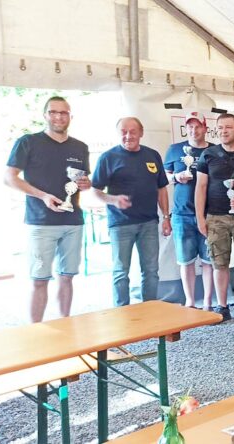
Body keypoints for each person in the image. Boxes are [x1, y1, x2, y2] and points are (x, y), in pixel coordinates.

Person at [4, 96, 91, 322]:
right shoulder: (28, 142)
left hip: (73, 222)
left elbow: (82, 180)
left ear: (70, 116)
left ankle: (65, 324)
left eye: (63, 112)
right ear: (45, 115)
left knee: (67, 277)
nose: (58, 117)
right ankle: (35, 331)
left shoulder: (80, 147)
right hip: (41, 222)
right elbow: (9, 178)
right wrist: (42, 196)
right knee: (39, 280)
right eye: (53, 112)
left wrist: (86, 184)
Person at [91, 117, 171, 307]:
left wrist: (166, 217)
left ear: (141, 133)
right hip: (120, 224)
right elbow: (95, 191)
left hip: (149, 223)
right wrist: (113, 200)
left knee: (151, 271)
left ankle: (150, 309)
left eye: (133, 131)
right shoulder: (108, 157)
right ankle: (122, 312)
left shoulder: (152, 155)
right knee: (120, 272)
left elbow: (161, 188)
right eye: (123, 132)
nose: (128, 136)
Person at [195, 113, 234, 323]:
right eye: (220, 127)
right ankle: (223, 306)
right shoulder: (208, 154)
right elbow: (201, 187)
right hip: (215, 217)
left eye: (228, 127)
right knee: (219, 263)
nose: (224, 131)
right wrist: (200, 217)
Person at [163, 111, 214, 309]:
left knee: (209, 261)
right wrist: (176, 178)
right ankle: (190, 301)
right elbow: (164, 177)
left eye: (197, 126)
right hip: (182, 214)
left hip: (209, 214)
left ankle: (208, 301)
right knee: (186, 261)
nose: (194, 130)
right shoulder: (175, 149)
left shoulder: (214, 150)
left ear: (205, 128)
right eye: (190, 127)